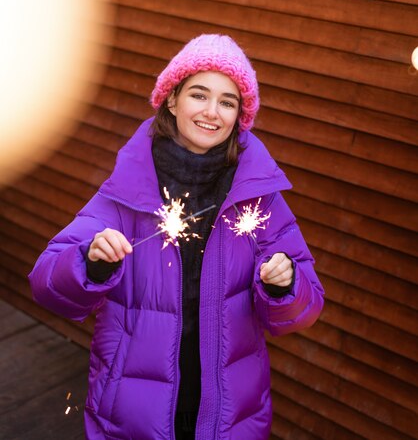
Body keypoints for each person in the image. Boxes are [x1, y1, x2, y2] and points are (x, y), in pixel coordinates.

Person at [29, 34, 324, 440]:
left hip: (230, 416)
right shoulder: (129, 189)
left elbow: (307, 306)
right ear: (172, 99)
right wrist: (91, 264)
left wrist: (285, 284)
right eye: (199, 95)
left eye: (227, 101)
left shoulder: (260, 198)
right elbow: (45, 282)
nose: (211, 112)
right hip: (131, 412)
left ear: (240, 115)